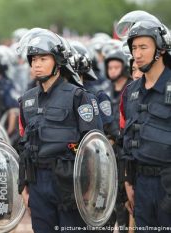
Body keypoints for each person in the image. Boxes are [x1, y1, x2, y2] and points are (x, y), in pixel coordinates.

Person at [17, 29, 100, 232]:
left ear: (58, 61)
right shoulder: (27, 100)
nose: (36, 64)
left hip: (69, 183)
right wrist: (24, 186)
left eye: (43, 58)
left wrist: (89, 188)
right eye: (33, 59)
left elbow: (94, 146)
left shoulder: (78, 96)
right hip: (38, 183)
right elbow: (23, 145)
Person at [117, 11, 171, 229]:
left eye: (143, 47)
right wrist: (127, 182)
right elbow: (128, 138)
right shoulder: (131, 92)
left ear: (160, 48)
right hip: (140, 185)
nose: (136, 54)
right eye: (134, 48)